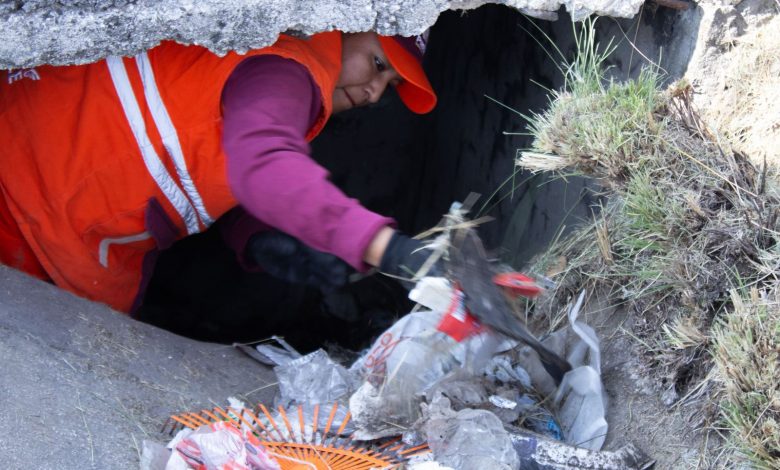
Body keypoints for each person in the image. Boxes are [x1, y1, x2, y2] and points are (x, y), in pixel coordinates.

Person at [0, 30, 438, 313]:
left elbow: (211, 154)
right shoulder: (286, 69)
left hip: (34, 185)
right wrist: (384, 246)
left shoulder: (279, 65)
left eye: (391, 84)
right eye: (378, 64)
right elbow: (265, 165)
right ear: (346, 25)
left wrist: (260, 234)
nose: (375, 92)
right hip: (25, 207)